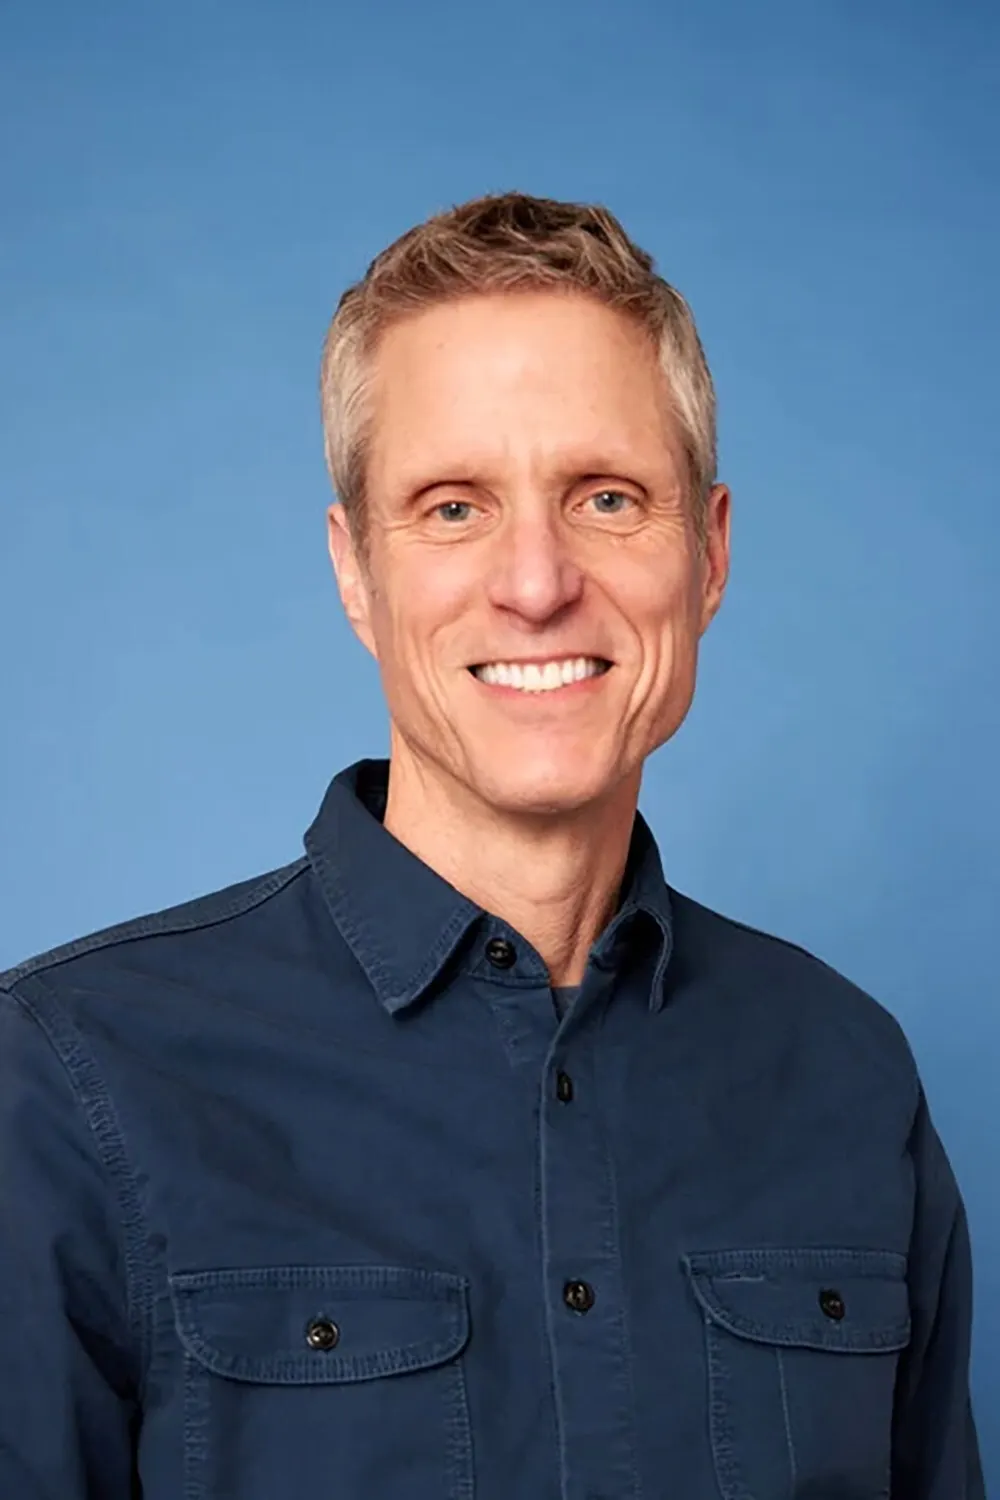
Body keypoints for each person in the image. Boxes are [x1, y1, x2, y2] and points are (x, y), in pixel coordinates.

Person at [0, 192, 983, 1500]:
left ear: (710, 553)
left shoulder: (850, 1076)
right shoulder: (64, 1085)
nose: (535, 581)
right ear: (357, 572)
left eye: (608, 497)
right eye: (454, 506)